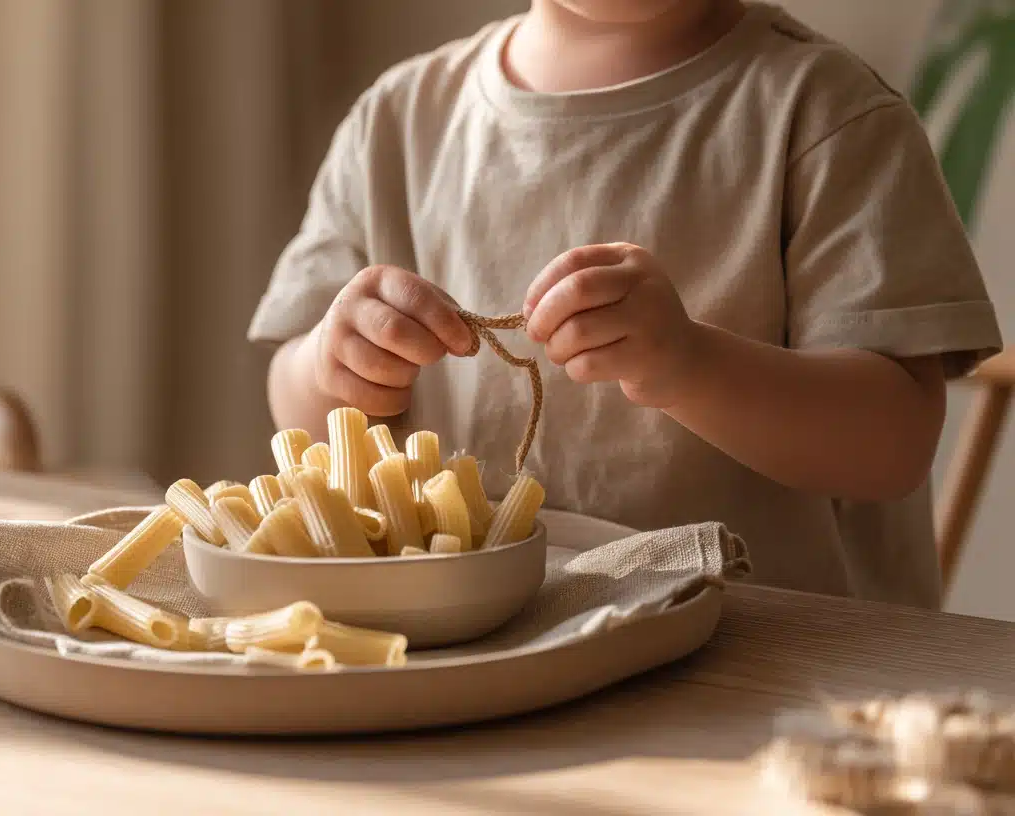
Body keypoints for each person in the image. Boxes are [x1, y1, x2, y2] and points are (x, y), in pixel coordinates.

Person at [246, 0, 1003, 607]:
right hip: (480, 663)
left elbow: (893, 445)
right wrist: (332, 364)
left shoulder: (830, 118)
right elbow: (300, 409)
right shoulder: (395, 124)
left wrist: (692, 368)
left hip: (771, 677)